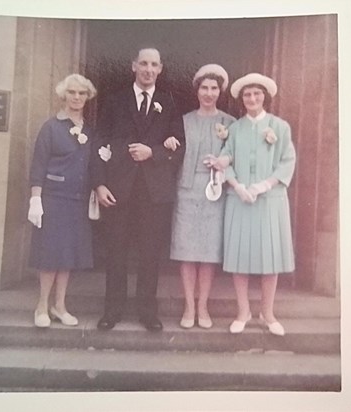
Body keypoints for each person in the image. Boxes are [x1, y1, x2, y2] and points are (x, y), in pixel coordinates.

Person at [94, 47, 185, 331]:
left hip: (153, 192)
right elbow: (99, 143)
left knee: (150, 253)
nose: (148, 69)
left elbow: (179, 145)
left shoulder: (169, 103)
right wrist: (98, 184)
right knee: (116, 251)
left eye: (154, 64)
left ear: (160, 69)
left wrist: (153, 152)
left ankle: (147, 311)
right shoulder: (115, 101)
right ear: (134, 66)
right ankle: (113, 310)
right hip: (118, 189)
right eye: (143, 63)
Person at [220, 73, 296, 336]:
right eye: (247, 95)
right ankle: (243, 311)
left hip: (269, 201)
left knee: (269, 257)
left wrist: (263, 185)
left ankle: (268, 312)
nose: (252, 99)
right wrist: (238, 186)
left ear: (265, 97)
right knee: (240, 257)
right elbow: (224, 160)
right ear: (242, 99)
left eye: (257, 94)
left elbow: (287, 161)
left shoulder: (280, 127)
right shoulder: (235, 129)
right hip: (240, 200)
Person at [163, 64, 235, 329]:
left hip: (215, 192)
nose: (208, 93)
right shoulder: (183, 121)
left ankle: (203, 306)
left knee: (207, 253)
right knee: (187, 251)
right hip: (188, 190)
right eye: (204, 88)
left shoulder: (229, 123)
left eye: (214, 88)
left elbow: (235, 156)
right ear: (197, 91)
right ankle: (188, 307)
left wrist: (223, 163)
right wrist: (169, 143)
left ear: (220, 91)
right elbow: (171, 151)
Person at [27, 73, 97, 328]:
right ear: (64, 95)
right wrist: (36, 199)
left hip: (76, 201)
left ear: (87, 98)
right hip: (53, 199)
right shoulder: (51, 127)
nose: (77, 98)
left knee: (67, 256)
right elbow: (38, 165)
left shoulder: (89, 130)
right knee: (50, 255)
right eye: (72, 93)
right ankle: (42, 306)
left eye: (81, 94)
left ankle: (60, 306)